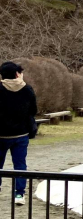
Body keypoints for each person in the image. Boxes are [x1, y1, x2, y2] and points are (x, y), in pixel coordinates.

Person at [0, 62, 36, 205]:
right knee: (20, 164)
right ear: (17, 73)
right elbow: (33, 111)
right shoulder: (27, 89)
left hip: (1, 134)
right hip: (21, 134)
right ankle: (19, 194)